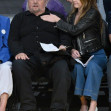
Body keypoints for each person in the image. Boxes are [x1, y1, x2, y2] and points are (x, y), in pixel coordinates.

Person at [41, 0, 107, 111]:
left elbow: (75, 30)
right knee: (77, 69)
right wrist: (71, 50)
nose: (74, 0)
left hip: (96, 54)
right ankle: (84, 103)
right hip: (81, 57)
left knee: (92, 67)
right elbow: (70, 37)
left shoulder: (92, 13)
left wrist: (57, 20)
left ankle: (93, 104)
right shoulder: (72, 16)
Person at [8, 0, 72, 111]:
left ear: (46, 1)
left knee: (62, 66)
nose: (35, 2)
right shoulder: (19, 18)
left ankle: (58, 107)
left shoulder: (57, 17)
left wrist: (63, 46)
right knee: (18, 64)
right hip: (29, 58)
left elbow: (66, 36)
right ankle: (28, 105)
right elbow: (13, 39)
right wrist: (19, 52)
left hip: (53, 58)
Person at [0, 15, 13, 111]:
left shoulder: (4, 21)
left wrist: (0, 59)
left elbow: (8, 45)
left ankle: (2, 107)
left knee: (5, 69)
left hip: (2, 58)